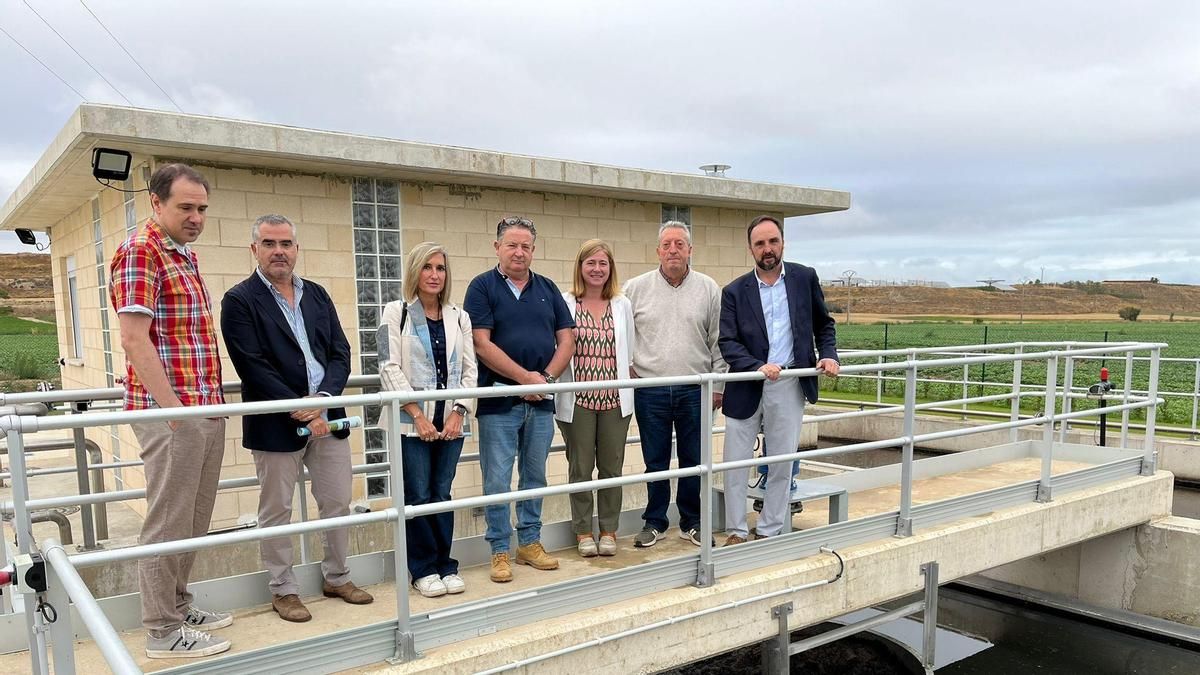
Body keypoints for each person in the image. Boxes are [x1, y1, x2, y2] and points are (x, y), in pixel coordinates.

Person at [221, 214, 373, 623]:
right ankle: (283, 590)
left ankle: (337, 577)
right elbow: (251, 365)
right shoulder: (239, 300)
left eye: (286, 244)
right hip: (274, 422)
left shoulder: (318, 295)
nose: (279, 251)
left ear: (296, 249)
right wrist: (298, 405)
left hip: (328, 418)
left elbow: (341, 353)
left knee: (338, 501)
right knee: (276, 511)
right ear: (254, 249)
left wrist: (322, 401)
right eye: (269, 243)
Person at [110, 163, 232, 658]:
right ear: (156, 204)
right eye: (185, 207)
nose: (196, 216)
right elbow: (135, 341)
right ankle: (161, 629)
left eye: (202, 208)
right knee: (167, 519)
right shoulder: (142, 252)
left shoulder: (184, 256)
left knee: (194, 517)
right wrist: (175, 413)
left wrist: (206, 409)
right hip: (173, 414)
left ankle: (179, 606)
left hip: (203, 407)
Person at [464, 216, 575, 583]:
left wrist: (544, 379)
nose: (518, 252)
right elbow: (482, 343)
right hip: (499, 401)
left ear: (533, 250)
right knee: (497, 479)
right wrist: (523, 378)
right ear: (497, 247)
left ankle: (530, 543)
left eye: (525, 246)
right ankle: (499, 549)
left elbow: (567, 341)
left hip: (541, 400)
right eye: (511, 244)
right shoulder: (481, 288)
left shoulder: (547, 288)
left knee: (535, 475)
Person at [718, 215, 839, 544]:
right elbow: (728, 343)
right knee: (735, 464)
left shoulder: (804, 278)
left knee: (782, 462)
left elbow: (823, 325)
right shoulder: (733, 292)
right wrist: (757, 365)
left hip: (789, 382)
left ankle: (769, 531)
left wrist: (828, 354)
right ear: (750, 249)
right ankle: (736, 532)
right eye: (760, 243)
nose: (767, 249)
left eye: (773, 241)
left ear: (782, 242)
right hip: (746, 384)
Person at [378, 242, 477, 598]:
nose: (435, 275)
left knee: (441, 493)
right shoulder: (395, 313)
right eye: (428, 267)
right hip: (412, 424)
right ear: (415, 271)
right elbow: (387, 366)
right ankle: (421, 569)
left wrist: (458, 411)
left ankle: (445, 563)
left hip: (450, 422)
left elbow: (470, 369)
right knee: (417, 495)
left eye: (441, 268)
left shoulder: (459, 316)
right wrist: (418, 415)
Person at [623, 221, 727, 548]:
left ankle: (691, 521)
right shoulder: (634, 289)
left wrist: (719, 384)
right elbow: (622, 336)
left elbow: (718, 341)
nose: (673, 250)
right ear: (657, 251)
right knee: (654, 460)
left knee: (692, 460)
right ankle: (654, 521)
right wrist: (628, 372)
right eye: (667, 244)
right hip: (650, 389)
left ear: (690, 250)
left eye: (679, 244)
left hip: (695, 388)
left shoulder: (709, 288)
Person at [554, 240, 635, 557]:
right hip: (578, 400)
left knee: (612, 468)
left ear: (610, 268)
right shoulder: (565, 302)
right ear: (580, 266)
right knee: (581, 468)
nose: (597, 269)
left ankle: (609, 531)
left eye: (603, 263)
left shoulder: (622, 304)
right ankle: (583, 531)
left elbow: (629, 350)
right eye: (591, 263)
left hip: (615, 401)